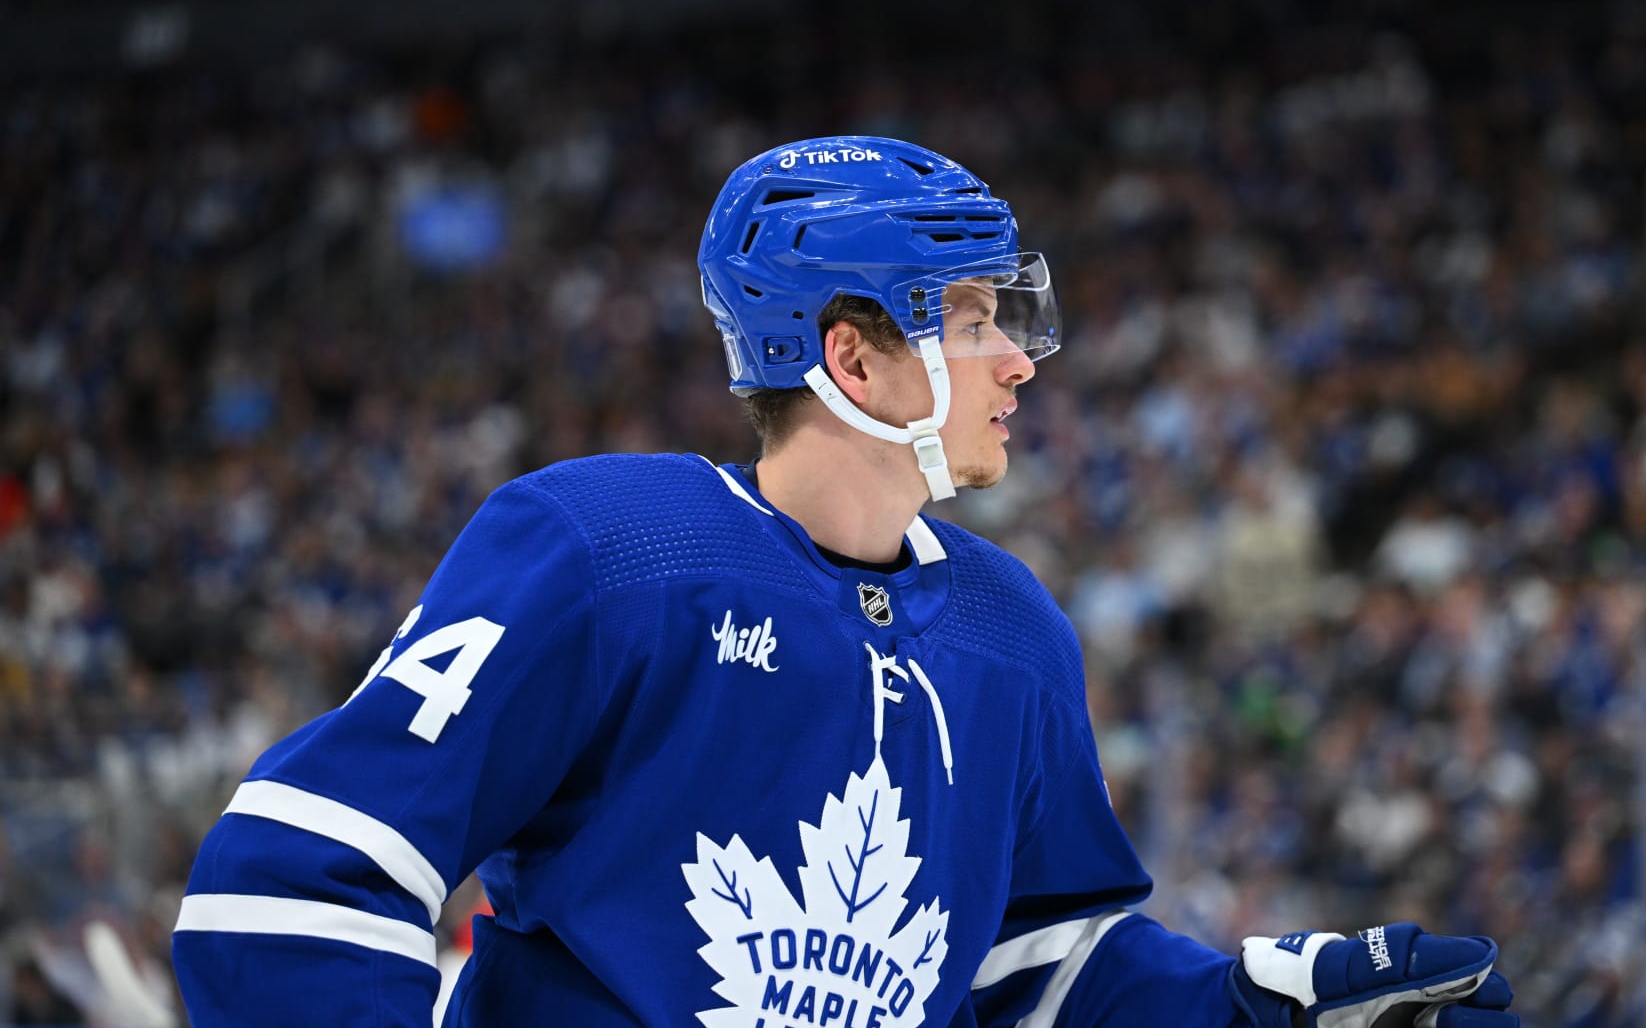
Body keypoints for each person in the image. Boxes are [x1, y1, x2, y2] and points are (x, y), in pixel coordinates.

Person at [172, 137, 1519, 1027]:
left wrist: (1258, 1002)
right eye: (978, 319)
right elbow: (291, 883)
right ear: (850, 360)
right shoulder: (605, 555)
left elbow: (1031, 978)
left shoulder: (1011, 636)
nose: (1022, 362)